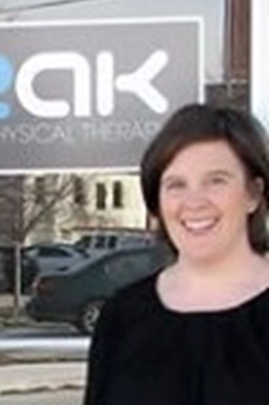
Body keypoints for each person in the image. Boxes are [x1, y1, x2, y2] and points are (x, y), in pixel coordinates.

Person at [83, 103, 269, 405]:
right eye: (176, 185)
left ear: (253, 194)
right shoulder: (122, 317)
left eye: (216, 181)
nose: (194, 202)